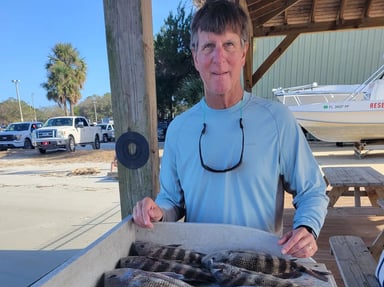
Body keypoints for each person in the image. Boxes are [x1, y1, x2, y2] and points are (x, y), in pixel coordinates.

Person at [132, 0, 328, 258]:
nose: (219, 58)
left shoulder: (277, 119)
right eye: (208, 46)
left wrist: (306, 228)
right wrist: (156, 211)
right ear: (195, 57)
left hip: (262, 266)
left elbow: (312, 190)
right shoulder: (179, 129)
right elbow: (171, 202)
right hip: (199, 268)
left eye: (229, 45)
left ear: (244, 52)